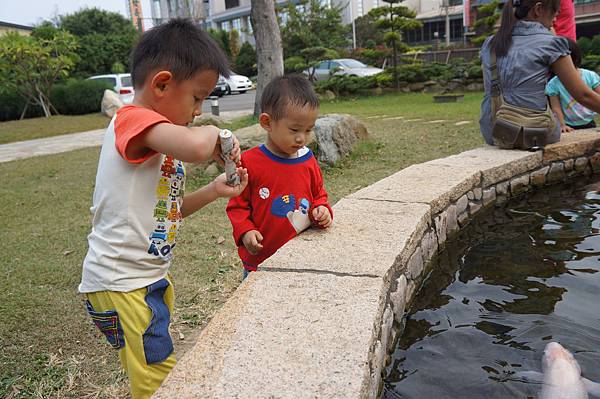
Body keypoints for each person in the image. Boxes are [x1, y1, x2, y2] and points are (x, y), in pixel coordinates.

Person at [78, 19, 248, 399]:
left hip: (146, 281)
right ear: (161, 84)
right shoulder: (132, 120)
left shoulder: (156, 138)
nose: (198, 111)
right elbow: (198, 147)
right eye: (197, 98)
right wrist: (221, 134)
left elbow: (167, 210)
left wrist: (213, 190)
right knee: (160, 382)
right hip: (122, 284)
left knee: (156, 368)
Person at [226, 75, 333, 278]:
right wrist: (246, 231)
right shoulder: (249, 162)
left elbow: (318, 194)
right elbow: (237, 206)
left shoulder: (307, 159)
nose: (302, 138)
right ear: (267, 122)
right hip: (260, 261)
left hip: (303, 259)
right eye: (294, 130)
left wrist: (322, 210)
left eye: (308, 130)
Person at [479, 0, 600, 146]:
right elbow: (584, 95)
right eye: (554, 14)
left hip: (494, 132)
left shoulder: (490, 43)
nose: (555, 20)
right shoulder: (552, 44)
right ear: (538, 9)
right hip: (534, 132)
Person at [546, 38, 600, 132]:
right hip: (569, 126)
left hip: (590, 122)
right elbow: (556, 107)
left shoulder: (590, 76)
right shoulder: (553, 84)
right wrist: (562, 125)